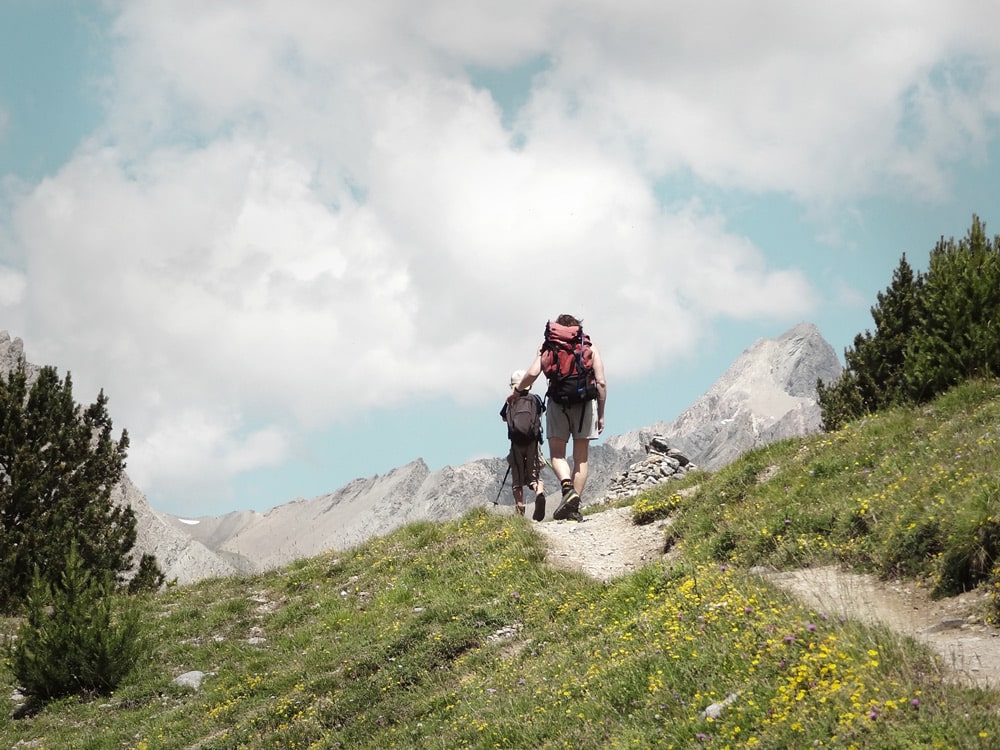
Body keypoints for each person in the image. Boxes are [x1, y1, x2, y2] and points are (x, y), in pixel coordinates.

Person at [510, 314, 606, 522]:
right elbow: (601, 383)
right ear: (576, 327)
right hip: (585, 404)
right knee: (581, 458)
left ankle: (566, 487)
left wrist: (517, 391)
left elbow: (533, 373)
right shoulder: (588, 345)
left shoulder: (549, 345)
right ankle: (573, 506)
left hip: (557, 403)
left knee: (557, 455)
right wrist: (601, 414)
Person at [499, 370, 547, 520]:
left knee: (517, 478)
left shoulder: (510, 401)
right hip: (533, 441)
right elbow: (541, 411)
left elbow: (503, 417)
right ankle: (538, 493)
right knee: (534, 473)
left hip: (516, 443)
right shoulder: (535, 399)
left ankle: (519, 508)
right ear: (530, 385)